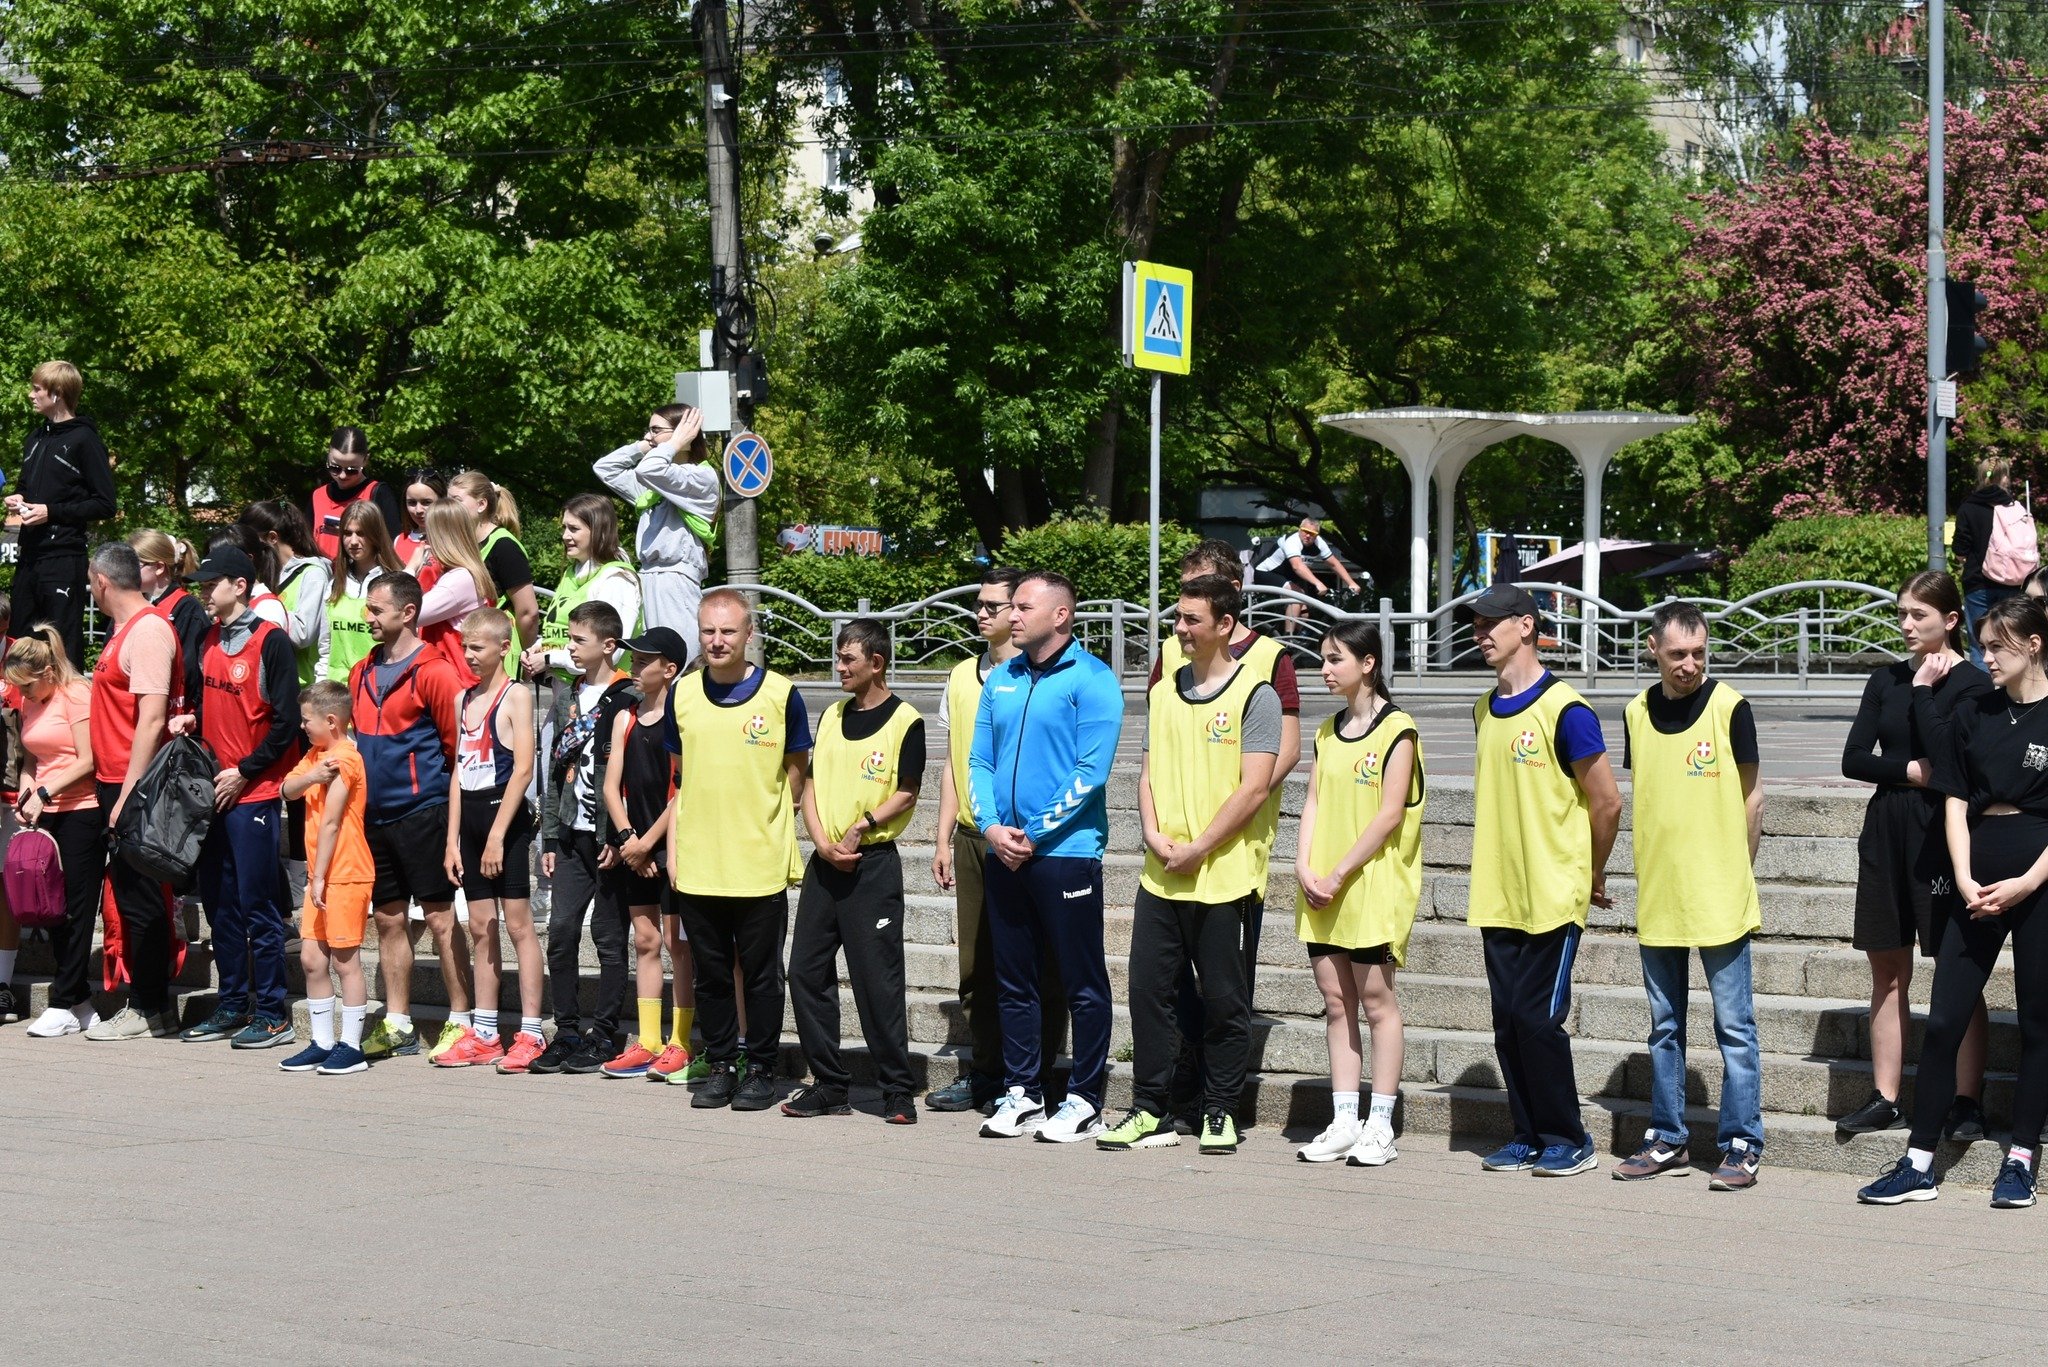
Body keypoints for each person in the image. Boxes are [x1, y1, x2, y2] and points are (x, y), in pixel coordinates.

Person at [1860, 594, 2048, 1209]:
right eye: (1984, 646)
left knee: (2038, 1023)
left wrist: (2026, 883)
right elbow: (1955, 800)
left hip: (2039, 876)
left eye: (1997, 647)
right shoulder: (1976, 710)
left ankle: (2020, 1159)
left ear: (2034, 646)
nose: (1986, 657)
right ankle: (1919, 1161)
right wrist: (1965, 879)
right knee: (1943, 1021)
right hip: (1976, 873)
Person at [1098, 577, 1277, 1156]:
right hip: (1161, 875)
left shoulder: (1256, 695)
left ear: (1225, 624)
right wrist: (1153, 835)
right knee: (1148, 993)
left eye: (1191, 619)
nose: (1179, 628)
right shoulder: (1163, 692)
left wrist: (1199, 847)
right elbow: (1147, 773)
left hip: (1224, 877)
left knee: (1224, 1001)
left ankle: (1219, 1109)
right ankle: (1149, 1107)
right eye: (1177, 618)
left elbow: (1254, 789)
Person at [1466, 582, 1623, 1177]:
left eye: (1491, 623)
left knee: (1537, 1019)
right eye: (1477, 624)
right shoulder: (1483, 709)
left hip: (1554, 894)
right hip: (1498, 891)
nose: (1481, 633)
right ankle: (1527, 1134)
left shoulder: (1567, 710)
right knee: (1508, 1022)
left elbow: (1606, 801)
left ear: (1526, 626)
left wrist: (1592, 870)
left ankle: (1568, 1137)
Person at [1614, 601, 1767, 1191]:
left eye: (1699, 652)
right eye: (1678, 653)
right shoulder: (1635, 712)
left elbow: (1753, 799)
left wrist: (1738, 872)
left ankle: (1742, 1143)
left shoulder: (1731, 708)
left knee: (1735, 1028)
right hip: (1661, 895)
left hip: (1719, 895)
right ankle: (1667, 1136)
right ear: (1653, 649)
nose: (1690, 664)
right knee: (1664, 1026)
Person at [969, 570, 1124, 1143]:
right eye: (1010, 606)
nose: (1011, 615)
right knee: (1013, 980)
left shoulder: (1094, 679)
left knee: (1082, 982)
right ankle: (1023, 1092)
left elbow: (1091, 771)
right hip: (1003, 850)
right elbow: (979, 761)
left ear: (1061, 615)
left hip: (1065, 853)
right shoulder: (1001, 678)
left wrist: (1032, 834)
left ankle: (1084, 1099)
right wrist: (991, 828)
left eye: (1023, 606)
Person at [1839, 572, 1995, 1138]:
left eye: (1918, 615)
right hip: (1887, 826)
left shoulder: (1974, 684)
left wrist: (1927, 688)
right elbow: (1854, 758)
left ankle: (1966, 1100)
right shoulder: (1884, 678)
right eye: (1902, 613)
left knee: (1955, 971)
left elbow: (1953, 758)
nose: (1906, 624)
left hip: (1943, 830)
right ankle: (1886, 1096)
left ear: (1951, 620)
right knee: (1886, 968)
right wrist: (1908, 771)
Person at [1151, 538, 1301, 1124]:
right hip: (1174, 848)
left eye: (1202, 586)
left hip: (1235, 847)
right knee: (1169, 981)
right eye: (1185, 587)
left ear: (1231, 595)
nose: (1187, 606)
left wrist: (1236, 800)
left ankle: (1222, 1097)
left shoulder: (1269, 658)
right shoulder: (1173, 650)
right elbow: (1161, 741)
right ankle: (1186, 1071)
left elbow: (1285, 750)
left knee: (1225, 983)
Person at [927, 569, 1065, 1114]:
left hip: (1032, 840)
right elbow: (953, 763)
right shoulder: (962, 675)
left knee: (1040, 963)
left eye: (993, 606)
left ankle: (1036, 1076)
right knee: (977, 966)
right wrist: (942, 837)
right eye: (978, 605)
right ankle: (987, 1073)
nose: (981, 614)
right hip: (973, 836)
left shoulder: (1039, 676)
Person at [666, 588, 808, 1111]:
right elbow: (680, 777)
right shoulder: (683, 693)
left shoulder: (781, 694)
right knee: (711, 975)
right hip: (701, 861)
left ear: (749, 634)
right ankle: (722, 1064)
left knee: (763, 976)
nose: (718, 640)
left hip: (758, 861)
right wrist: (677, 851)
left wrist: (767, 820)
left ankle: (762, 1068)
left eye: (728, 631)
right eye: (708, 630)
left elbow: (797, 772)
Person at [1290, 621, 1423, 1167]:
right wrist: (1304, 865)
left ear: (1368, 663)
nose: (1324, 669)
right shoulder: (1327, 731)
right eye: (1323, 659)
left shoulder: (1398, 730)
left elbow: (1389, 814)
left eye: (1335, 659)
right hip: (1323, 887)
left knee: (1376, 1002)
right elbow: (1314, 802)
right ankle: (1344, 1120)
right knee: (1336, 1002)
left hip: (1369, 885)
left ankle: (1380, 1125)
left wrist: (1340, 872)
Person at [785, 619, 925, 1124]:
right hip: (825, 864)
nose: (839, 668)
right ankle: (829, 1084)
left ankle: (897, 1090)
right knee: (805, 972)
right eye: (838, 658)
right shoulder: (830, 716)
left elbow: (906, 791)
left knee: (876, 981)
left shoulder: (906, 720)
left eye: (848, 659)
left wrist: (861, 827)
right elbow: (811, 785)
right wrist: (821, 842)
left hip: (872, 866)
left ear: (877, 662)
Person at [169, 545, 302, 1050]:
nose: (204, 591)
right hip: (212, 792)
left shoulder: (271, 641)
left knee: (257, 904)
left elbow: (287, 723)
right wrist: (192, 719)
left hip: (254, 792)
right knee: (219, 903)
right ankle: (231, 1003)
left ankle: (272, 1013)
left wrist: (244, 772)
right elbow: (210, 706)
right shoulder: (207, 637)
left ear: (240, 586)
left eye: (212, 583)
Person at [350, 573, 473, 1061]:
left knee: (441, 918)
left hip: (424, 812)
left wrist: (452, 820)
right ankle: (398, 1023)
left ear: (407, 613)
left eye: (376, 609)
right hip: (374, 816)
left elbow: (457, 748)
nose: (368, 617)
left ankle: (462, 1020)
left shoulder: (436, 671)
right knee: (387, 919)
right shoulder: (361, 670)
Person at [437, 608, 545, 1071]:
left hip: (506, 820)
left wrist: (498, 835)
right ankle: (484, 1033)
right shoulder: (462, 699)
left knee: (518, 925)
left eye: (477, 647)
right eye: (465, 647)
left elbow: (523, 769)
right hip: (472, 821)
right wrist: (452, 840)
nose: (469, 655)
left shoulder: (515, 694)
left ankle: (532, 1031)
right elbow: (458, 772)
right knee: (481, 926)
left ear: (504, 648)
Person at [532, 601, 637, 1075]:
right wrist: (550, 838)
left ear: (609, 645)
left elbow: (633, 774)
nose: (570, 648)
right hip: (572, 836)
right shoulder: (568, 697)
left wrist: (620, 833)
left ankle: (606, 1033)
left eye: (579, 640)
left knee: (609, 938)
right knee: (561, 932)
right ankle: (567, 1030)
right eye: (569, 639)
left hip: (611, 838)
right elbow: (557, 772)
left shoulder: (628, 695)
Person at [84, 542, 183, 1037]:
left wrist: (129, 793)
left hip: (136, 786)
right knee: (131, 895)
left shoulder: (147, 631)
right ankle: (152, 1008)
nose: (90, 589)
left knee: (141, 899)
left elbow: (151, 719)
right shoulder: (126, 630)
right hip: (116, 781)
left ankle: (148, 1008)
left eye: (90, 582)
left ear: (102, 581)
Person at [597, 627, 701, 1082]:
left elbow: (681, 791)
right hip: (634, 846)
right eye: (634, 659)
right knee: (645, 940)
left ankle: (680, 1042)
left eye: (644, 661)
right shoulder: (626, 716)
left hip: (669, 846)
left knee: (678, 944)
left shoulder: (683, 719)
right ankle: (648, 1040)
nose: (634, 667)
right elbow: (610, 786)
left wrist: (648, 843)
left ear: (670, 669)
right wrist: (627, 838)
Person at [6, 628, 111, 1038]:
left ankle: (64, 1001)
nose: (23, 695)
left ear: (48, 672)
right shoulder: (30, 698)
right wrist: (28, 792)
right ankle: (80, 1003)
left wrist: (45, 792)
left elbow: (89, 760)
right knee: (49, 909)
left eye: (28, 686)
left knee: (76, 910)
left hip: (81, 813)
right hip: (44, 812)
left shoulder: (77, 694)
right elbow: (31, 757)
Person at [275, 681, 374, 1076]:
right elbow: (287, 790)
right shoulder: (318, 756)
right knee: (312, 959)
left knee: (346, 961)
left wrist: (317, 878)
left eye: (307, 720)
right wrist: (312, 776)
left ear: (331, 721)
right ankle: (321, 1042)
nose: (302, 726)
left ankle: (351, 1046)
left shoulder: (346, 759)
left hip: (345, 873)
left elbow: (332, 822)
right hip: (321, 876)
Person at [11, 361, 117, 666]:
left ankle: (70, 699)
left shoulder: (85, 439)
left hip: (64, 557)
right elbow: (26, 487)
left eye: (37, 389)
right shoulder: (35, 438)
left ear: (57, 393)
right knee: (20, 645)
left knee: (62, 648)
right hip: (29, 555)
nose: (30, 395)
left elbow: (106, 504)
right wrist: (18, 498)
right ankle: (20, 698)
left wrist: (51, 512)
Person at [594, 404, 719, 654]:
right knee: (653, 659)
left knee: (680, 655)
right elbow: (605, 468)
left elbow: (649, 469)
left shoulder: (701, 477)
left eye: (655, 430)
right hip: (649, 576)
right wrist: (645, 446)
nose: (648, 436)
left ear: (684, 433)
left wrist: (674, 442)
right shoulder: (653, 486)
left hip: (675, 578)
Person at [524, 493, 642, 683]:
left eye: (574, 529)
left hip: (604, 691)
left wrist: (549, 658)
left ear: (598, 531)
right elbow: (560, 631)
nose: (565, 536)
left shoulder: (617, 580)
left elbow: (612, 652)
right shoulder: (572, 572)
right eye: (564, 528)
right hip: (569, 686)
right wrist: (538, 648)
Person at [446, 471, 541, 656]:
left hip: (498, 652)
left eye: (456, 501)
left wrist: (524, 653)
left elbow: (528, 612)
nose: (449, 508)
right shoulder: (462, 544)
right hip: (468, 647)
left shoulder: (505, 547)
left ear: (481, 504)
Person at [240, 500, 332, 685]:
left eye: (251, 542)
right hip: (270, 680)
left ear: (272, 538)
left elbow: (303, 634)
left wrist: (264, 606)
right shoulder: (267, 573)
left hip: (301, 685)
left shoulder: (313, 573)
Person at [1952, 456, 2025, 667]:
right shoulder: (2015, 508)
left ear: (1981, 477)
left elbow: (1960, 550)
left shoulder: (1968, 507)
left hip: (1978, 583)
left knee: (1980, 644)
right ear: (2005, 478)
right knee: (2011, 640)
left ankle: (1982, 687)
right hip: (2011, 582)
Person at [415, 498, 495, 688]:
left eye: (428, 534)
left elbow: (404, 613)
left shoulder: (459, 579)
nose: (426, 542)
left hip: (455, 686)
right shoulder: (465, 574)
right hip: (457, 684)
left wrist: (412, 567)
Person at [326, 502, 404, 684]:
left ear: (375, 535)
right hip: (338, 689)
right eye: (347, 533)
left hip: (378, 685)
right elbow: (325, 645)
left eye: (361, 533)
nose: (353, 541)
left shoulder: (394, 581)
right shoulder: (334, 584)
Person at [130, 530, 206, 714]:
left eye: (134, 565)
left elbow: (190, 671)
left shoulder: (187, 608)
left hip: (172, 714)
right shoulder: (132, 603)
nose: (127, 572)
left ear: (159, 567)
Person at [303, 425, 404, 562]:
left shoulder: (378, 493)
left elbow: (392, 546)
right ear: (328, 456)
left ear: (365, 460)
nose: (342, 475)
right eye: (335, 468)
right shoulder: (318, 496)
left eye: (351, 470)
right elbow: (305, 544)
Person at [1251, 517, 1361, 630]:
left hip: (1286, 578)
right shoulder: (1292, 541)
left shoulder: (1319, 543)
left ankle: (1297, 638)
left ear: (1317, 535)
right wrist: (1318, 583)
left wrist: (1351, 583)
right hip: (1266, 573)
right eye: (1305, 531)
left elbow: (1333, 563)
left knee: (1304, 614)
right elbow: (1297, 566)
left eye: (1312, 533)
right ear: (1299, 529)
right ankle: (1288, 637)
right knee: (1297, 595)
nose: (1308, 536)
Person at [396, 468, 445, 574]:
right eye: (412, 503)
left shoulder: (452, 540)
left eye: (426, 502)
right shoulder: (399, 541)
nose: (418, 510)